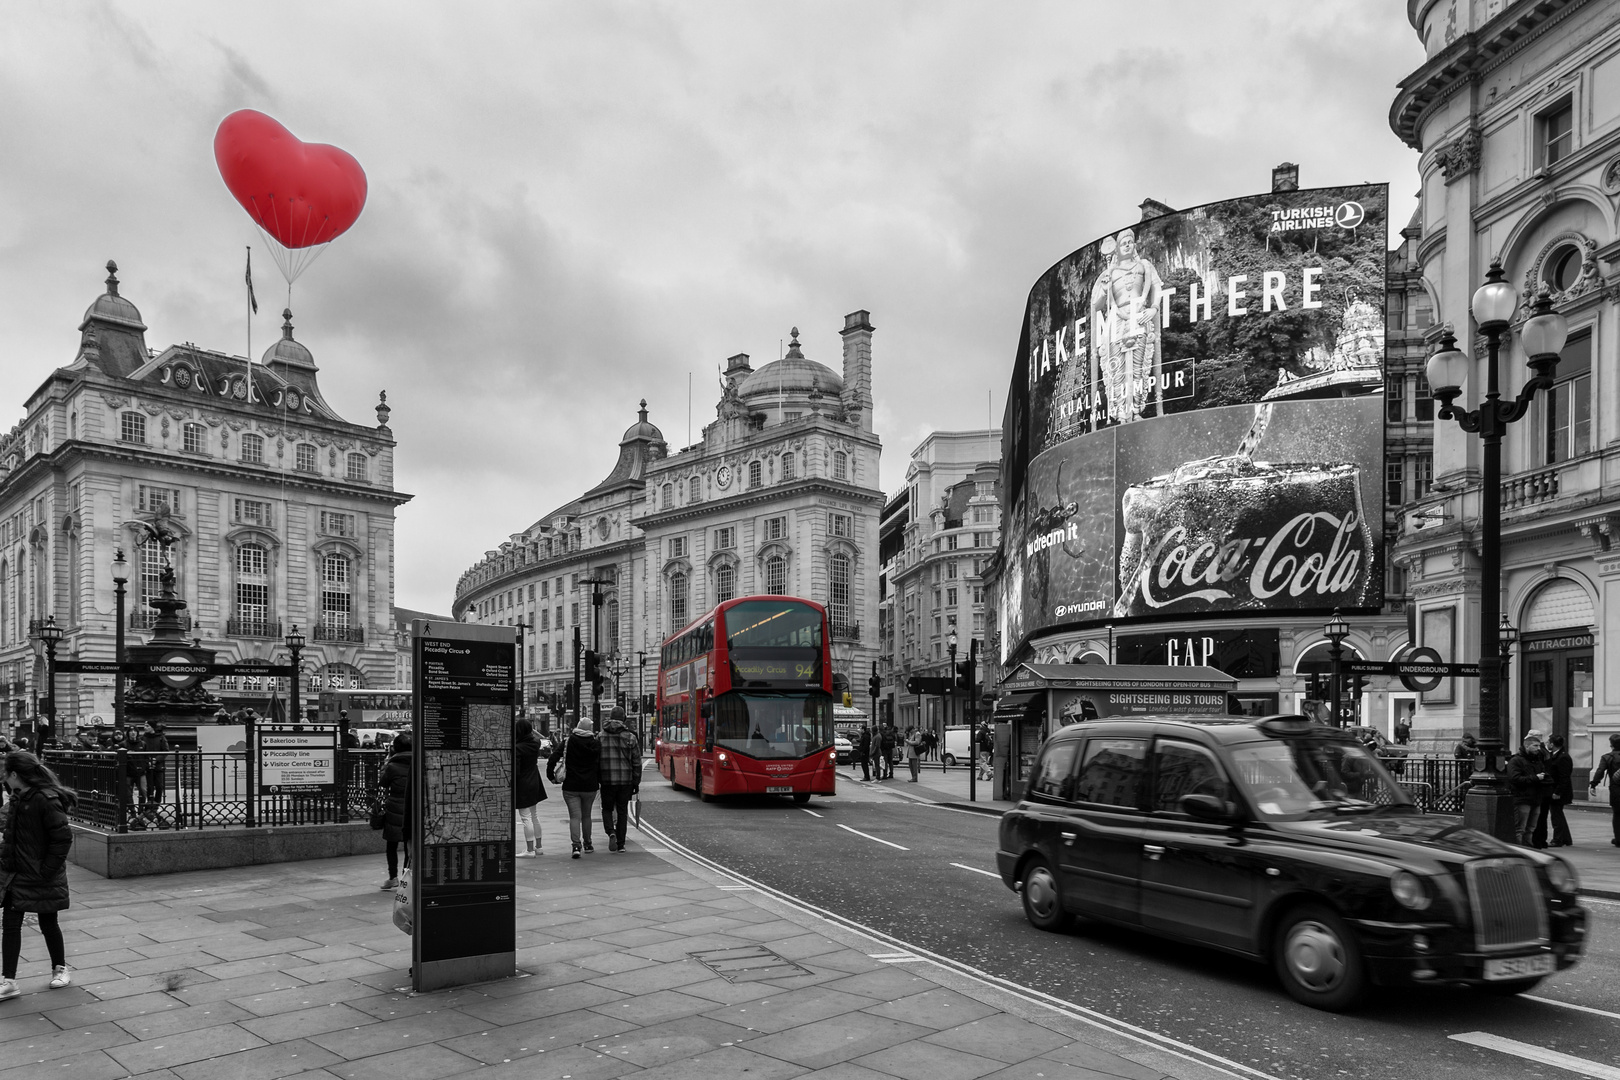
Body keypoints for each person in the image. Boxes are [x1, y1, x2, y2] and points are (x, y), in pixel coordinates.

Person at [0, 751, 76, 1000]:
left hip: (41, 874)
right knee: (10, 924)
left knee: (48, 922)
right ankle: (9, 981)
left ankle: (60, 969)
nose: (3, 778)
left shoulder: (45, 799)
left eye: (5, 773)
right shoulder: (17, 798)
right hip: (16, 873)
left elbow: (62, 838)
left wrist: (47, 871)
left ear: (14, 774)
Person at [548, 714, 600, 858]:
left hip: (571, 786)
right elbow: (600, 764)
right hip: (589, 786)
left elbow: (553, 758)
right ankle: (588, 844)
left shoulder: (568, 742)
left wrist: (551, 776)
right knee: (587, 815)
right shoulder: (595, 743)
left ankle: (576, 846)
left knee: (574, 817)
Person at [597, 706, 641, 853]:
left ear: (610, 717)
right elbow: (636, 762)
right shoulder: (630, 737)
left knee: (607, 809)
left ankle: (611, 832)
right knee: (622, 812)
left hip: (607, 780)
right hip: (625, 781)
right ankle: (621, 844)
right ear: (624, 718)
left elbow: (595, 760)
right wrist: (636, 782)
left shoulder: (600, 737)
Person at [377, 732, 412, 889]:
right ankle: (406, 878)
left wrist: (387, 761)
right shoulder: (418, 763)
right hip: (411, 808)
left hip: (394, 809)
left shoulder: (392, 765)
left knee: (391, 845)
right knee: (408, 845)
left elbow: (383, 783)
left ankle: (393, 877)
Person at [1506, 733, 1550, 848]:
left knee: (1531, 827)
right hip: (1522, 798)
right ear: (1527, 746)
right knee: (1521, 828)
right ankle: (1519, 849)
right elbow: (1514, 778)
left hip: (1536, 798)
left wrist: (1544, 778)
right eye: (1535, 746)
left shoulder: (1537, 760)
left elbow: (1544, 775)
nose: (1538, 749)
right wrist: (1536, 778)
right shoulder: (1516, 760)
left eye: (1539, 746)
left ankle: (1528, 848)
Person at [514, 718, 547, 857]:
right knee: (534, 816)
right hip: (535, 781)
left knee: (525, 818)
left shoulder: (518, 748)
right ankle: (539, 847)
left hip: (523, 783)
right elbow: (540, 737)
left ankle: (529, 849)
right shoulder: (535, 743)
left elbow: (516, 770)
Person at [1536, 735, 1574, 848]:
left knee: (1556, 815)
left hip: (1559, 792)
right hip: (1555, 790)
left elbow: (1564, 777)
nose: (1547, 744)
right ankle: (1566, 838)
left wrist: (1557, 792)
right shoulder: (1555, 755)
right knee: (1558, 814)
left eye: (1549, 742)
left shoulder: (1563, 757)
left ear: (1552, 744)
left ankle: (1558, 839)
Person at [1589, 733, 1620, 848]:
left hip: (1616, 788)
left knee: (1617, 814)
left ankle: (1618, 838)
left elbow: (1600, 771)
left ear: (1611, 745)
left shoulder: (1607, 757)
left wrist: (1593, 784)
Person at [138, 721, 171, 822]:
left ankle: (156, 804)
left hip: (158, 766)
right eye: (145, 725)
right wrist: (147, 761)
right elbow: (141, 751)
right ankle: (149, 806)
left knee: (159, 786)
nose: (145, 727)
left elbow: (165, 750)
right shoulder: (143, 738)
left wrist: (156, 759)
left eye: (147, 726)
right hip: (147, 766)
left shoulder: (161, 737)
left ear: (152, 727)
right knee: (149, 787)